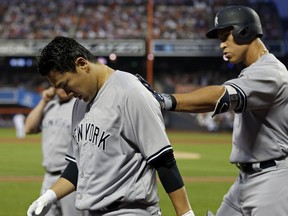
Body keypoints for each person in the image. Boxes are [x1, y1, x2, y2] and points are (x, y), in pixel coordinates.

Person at [137, 5, 288, 216]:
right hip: (246, 179)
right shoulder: (255, 71)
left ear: (245, 31)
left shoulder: (271, 72)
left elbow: (220, 96)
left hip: (272, 180)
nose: (222, 45)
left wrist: (164, 100)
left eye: (226, 36)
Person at [26, 36, 194, 216]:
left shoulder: (130, 91)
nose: (66, 92)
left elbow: (163, 159)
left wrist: (185, 213)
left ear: (82, 64)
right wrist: (49, 196)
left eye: (65, 84)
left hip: (130, 211)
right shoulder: (80, 104)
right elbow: (77, 166)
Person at [25, 87, 89, 216]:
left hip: (71, 179)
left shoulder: (79, 105)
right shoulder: (50, 106)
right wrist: (43, 101)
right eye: (57, 85)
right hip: (48, 177)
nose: (61, 88)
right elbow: (28, 128)